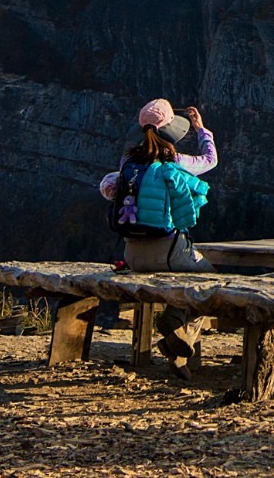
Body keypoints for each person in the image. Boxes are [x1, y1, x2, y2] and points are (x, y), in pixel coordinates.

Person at [100, 105, 216, 375]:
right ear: (171, 129)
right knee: (210, 283)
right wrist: (200, 129)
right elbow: (210, 160)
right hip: (167, 250)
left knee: (184, 284)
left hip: (132, 254)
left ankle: (176, 346)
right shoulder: (174, 161)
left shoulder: (128, 162)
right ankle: (176, 327)